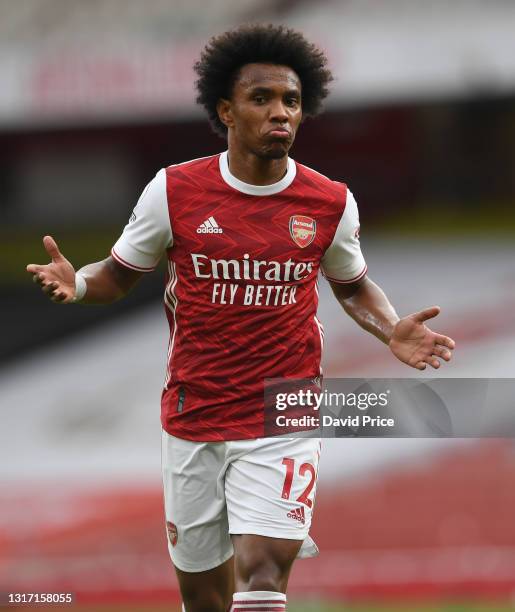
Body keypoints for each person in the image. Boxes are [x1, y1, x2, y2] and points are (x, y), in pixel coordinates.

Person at [26, 24, 455, 612]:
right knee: (205, 599)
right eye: (262, 98)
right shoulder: (173, 192)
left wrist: (390, 328)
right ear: (226, 109)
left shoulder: (329, 202)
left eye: (292, 101)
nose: (280, 112)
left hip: (286, 405)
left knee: (261, 576)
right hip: (194, 409)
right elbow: (119, 275)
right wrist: (77, 285)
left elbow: (352, 287)